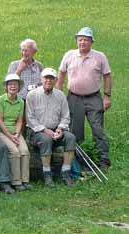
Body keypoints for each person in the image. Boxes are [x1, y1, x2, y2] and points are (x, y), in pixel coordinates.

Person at [56, 27, 112, 170]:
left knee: (98, 130)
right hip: (74, 98)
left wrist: (106, 96)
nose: (82, 42)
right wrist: (59, 93)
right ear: (76, 41)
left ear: (91, 42)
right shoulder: (69, 55)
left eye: (86, 40)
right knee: (75, 131)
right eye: (80, 39)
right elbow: (61, 74)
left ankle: (103, 160)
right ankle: (80, 162)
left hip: (94, 98)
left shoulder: (100, 56)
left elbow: (107, 76)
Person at [26, 68, 76, 187]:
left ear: (55, 80)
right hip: (36, 131)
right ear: (41, 79)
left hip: (56, 130)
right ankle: (47, 174)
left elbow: (65, 116)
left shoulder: (60, 95)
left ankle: (66, 172)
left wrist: (60, 128)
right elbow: (30, 118)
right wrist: (44, 130)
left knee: (71, 138)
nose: (48, 80)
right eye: (46, 78)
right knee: (46, 139)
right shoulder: (32, 95)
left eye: (51, 78)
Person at [0, 74, 31, 191]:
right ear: (6, 87)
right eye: (10, 84)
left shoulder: (21, 102)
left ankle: (25, 180)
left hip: (15, 132)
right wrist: (10, 137)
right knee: (15, 151)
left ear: (19, 87)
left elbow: (19, 121)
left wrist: (17, 134)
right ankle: (16, 181)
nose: (13, 86)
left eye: (15, 84)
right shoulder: (0, 100)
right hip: (2, 132)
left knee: (25, 151)